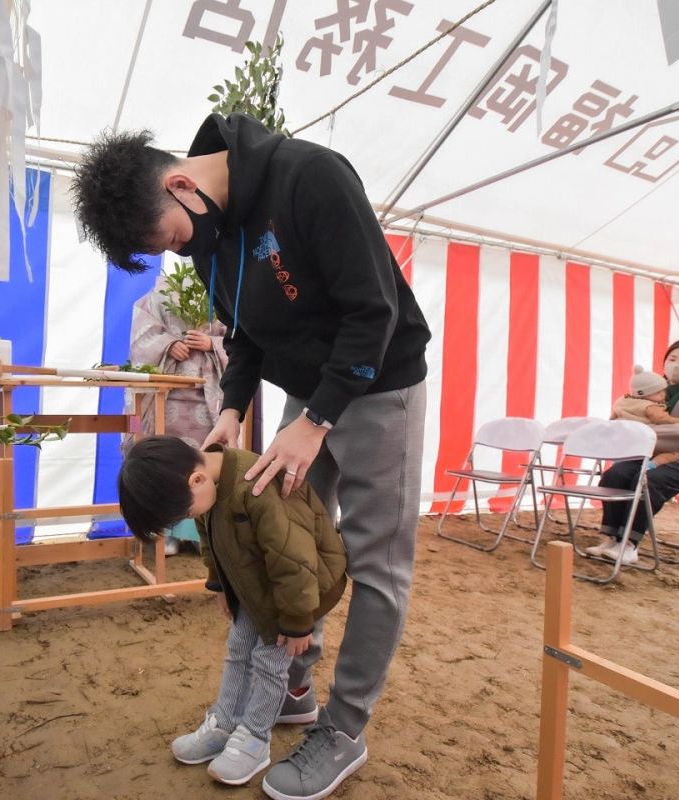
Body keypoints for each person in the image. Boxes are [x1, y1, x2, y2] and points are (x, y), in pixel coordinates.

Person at [73, 112, 430, 800]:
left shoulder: (309, 177)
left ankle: (344, 729)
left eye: (174, 236)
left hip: (380, 386)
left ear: (181, 184)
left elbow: (374, 312)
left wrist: (316, 420)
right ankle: (289, 689)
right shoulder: (209, 237)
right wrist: (232, 410)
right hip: (307, 396)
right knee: (287, 534)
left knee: (375, 562)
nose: (182, 253)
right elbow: (241, 334)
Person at [117, 436, 347, 787]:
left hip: (300, 591)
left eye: (184, 513)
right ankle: (225, 723)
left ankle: (255, 739)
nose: (189, 518)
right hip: (256, 586)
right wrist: (220, 585)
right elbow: (211, 540)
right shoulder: (207, 486)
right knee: (239, 650)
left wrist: (300, 622)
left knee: (269, 663)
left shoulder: (259, 488)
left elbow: (295, 561)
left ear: (197, 480)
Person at [586, 340, 679, 565]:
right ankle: (613, 539)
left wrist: (646, 432)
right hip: (651, 456)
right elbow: (633, 412)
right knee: (616, 474)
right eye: (672, 359)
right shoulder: (654, 386)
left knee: (649, 481)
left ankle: (630, 544)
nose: (676, 365)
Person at [124, 272, 228, 554]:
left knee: (201, 464)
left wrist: (212, 344)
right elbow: (141, 337)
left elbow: (240, 340)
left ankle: (202, 535)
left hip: (208, 397)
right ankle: (167, 534)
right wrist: (168, 344)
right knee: (168, 466)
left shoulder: (221, 293)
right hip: (168, 396)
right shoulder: (157, 296)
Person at [611, 364, 679, 467]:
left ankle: (618, 463)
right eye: (657, 392)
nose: (663, 394)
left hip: (625, 440)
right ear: (643, 394)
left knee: (624, 460)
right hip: (643, 439)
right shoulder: (649, 406)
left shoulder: (622, 401)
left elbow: (613, 418)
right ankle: (652, 465)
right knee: (675, 453)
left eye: (663, 390)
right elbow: (662, 419)